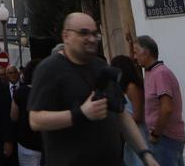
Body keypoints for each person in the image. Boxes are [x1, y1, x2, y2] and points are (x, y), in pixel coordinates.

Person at [28, 13, 157, 166]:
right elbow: (36, 120)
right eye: (83, 33)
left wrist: (146, 155)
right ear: (66, 36)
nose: (91, 38)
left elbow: (121, 115)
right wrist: (81, 113)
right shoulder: (48, 69)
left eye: (94, 34)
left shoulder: (101, 66)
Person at [132, 36, 185, 166]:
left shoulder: (160, 73)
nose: (134, 56)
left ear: (146, 52)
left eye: (135, 52)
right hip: (163, 139)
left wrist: (156, 134)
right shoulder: (150, 73)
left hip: (165, 139)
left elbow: (166, 108)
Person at [110, 55, 146, 166]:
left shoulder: (132, 87)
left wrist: (121, 123)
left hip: (139, 132)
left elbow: (139, 115)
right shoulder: (124, 87)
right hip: (129, 134)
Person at [10, 61, 42, 166]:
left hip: (26, 142)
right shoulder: (48, 91)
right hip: (46, 141)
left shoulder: (20, 92)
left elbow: (13, 117)